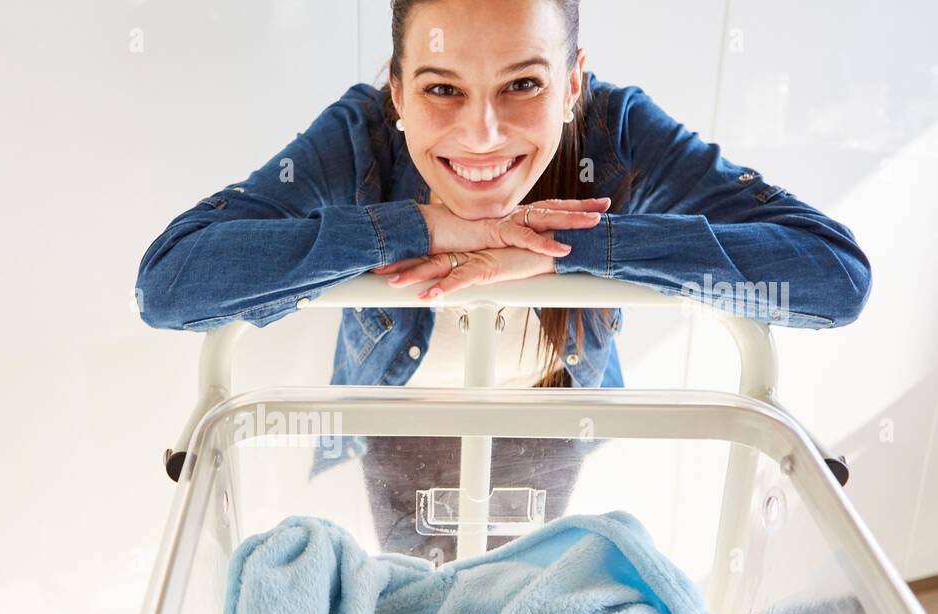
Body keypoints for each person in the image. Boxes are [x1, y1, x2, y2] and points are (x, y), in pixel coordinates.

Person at [135, 0, 872, 559]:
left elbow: (830, 275)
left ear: (573, 82)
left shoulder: (616, 130)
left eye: (522, 83)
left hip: (551, 419)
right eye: (441, 90)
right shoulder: (361, 135)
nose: (482, 135)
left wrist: (571, 244)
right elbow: (173, 282)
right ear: (396, 91)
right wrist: (419, 225)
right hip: (401, 420)